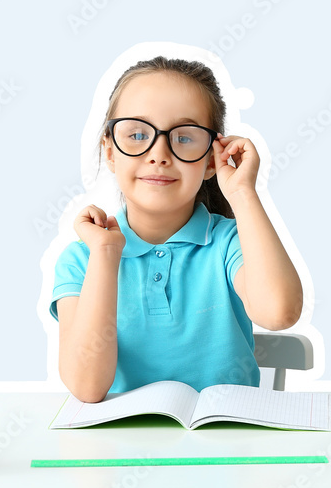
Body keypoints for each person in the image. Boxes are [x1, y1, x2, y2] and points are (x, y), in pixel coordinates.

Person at [50, 56, 302, 403]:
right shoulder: (81, 259)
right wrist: (106, 255)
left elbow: (279, 312)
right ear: (109, 151)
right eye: (137, 134)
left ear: (212, 158)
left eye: (184, 138)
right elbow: (87, 387)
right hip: (117, 452)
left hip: (228, 449)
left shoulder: (229, 244)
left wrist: (243, 192)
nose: (159, 154)